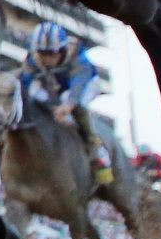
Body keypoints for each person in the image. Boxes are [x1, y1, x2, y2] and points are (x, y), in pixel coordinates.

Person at [26, 22, 114, 183]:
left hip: (86, 84)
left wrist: (66, 107)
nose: (46, 58)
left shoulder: (77, 56)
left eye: (51, 53)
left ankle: (96, 147)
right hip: (57, 87)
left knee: (71, 100)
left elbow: (78, 87)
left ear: (62, 49)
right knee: (33, 93)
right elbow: (24, 81)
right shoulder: (32, 59)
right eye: (42, 53)